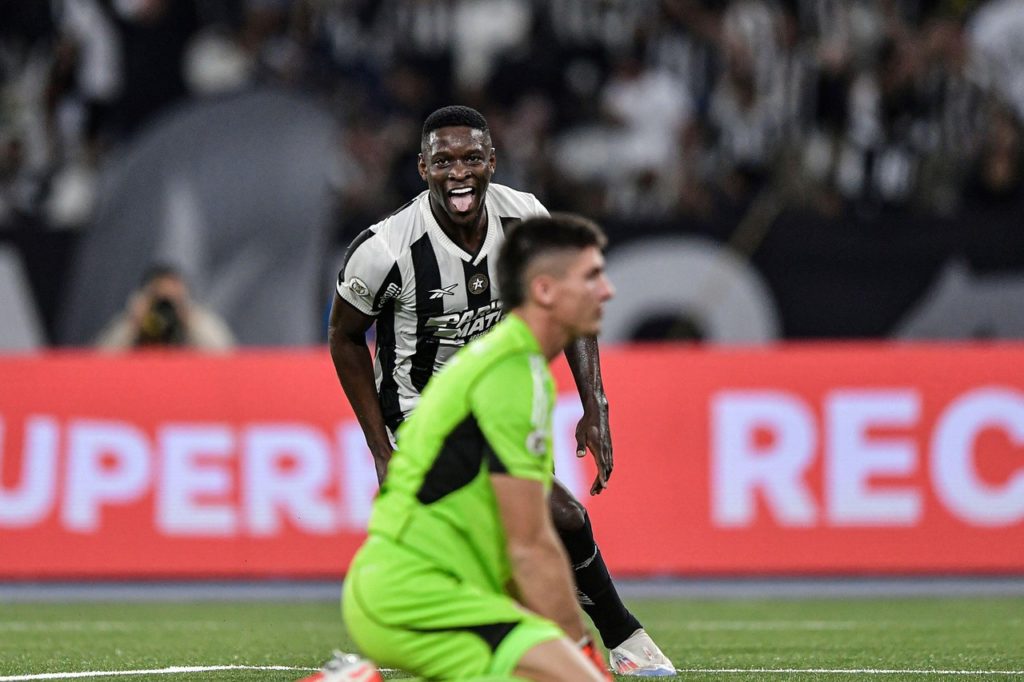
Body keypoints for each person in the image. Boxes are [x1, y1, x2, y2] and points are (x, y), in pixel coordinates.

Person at [327, 105, 673, 675]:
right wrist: (381, 448)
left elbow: (572, 308)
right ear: (422, 167)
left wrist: (594, 404)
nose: (457, 172)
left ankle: (380, 652)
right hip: (423, 411)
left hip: (490, 404)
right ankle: (614, 641)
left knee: (540, 524)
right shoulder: (384, 250)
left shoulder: (525, 221)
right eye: (443, 161)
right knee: (543, 519)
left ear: (492, 162)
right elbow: (344, 337)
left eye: (470, 158)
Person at [327, 213, 617, 681]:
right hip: (415, 595)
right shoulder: (511, 376)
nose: (607, 290)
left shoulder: (508, 364)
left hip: (426, 589)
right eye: (591, 277)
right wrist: (582, 655)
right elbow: (531, 546)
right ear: (544, 291)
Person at [93, 263, 235, 351]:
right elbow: (98, 362)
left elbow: (227, 359)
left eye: (173, 298)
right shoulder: (133, 322)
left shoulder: (195, 321)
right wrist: (132, 323)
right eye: (159, 297)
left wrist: (190, 320)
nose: (165, 306)